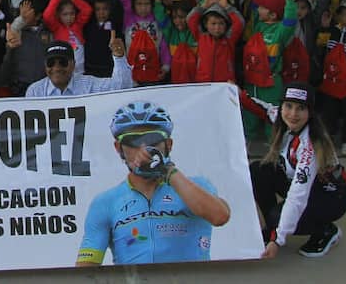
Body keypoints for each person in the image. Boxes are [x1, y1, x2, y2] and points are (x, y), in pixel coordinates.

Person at [76, 101, 230, 266]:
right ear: (118, 147)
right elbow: (86, 269)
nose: (144, 149)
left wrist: (168, 171)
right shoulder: (105, 202)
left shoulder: (196, 186)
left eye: (153, 139)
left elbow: (220, 216)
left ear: (168, 145)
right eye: (133, 141)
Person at [248, 84, 346, 259]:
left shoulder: (310, 145)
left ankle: (326, 231)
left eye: (301, 108)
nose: (293, 114)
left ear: (310, 112)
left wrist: (278, 239)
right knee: (259, 170)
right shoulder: (284, 119)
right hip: (307, 186)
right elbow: (262, 109)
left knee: (277, 216)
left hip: (331, 197)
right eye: (288, 106)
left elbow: (298, 196)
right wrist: (234, 93)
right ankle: (276, 227)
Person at [24, 38, 131, 97]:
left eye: (63, 62)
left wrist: (119, 58)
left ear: (73, 64)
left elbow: (122, 88)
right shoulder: (34, 92)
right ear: (45, 65)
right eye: (51, 63)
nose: (57, 68)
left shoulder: (89, 85)